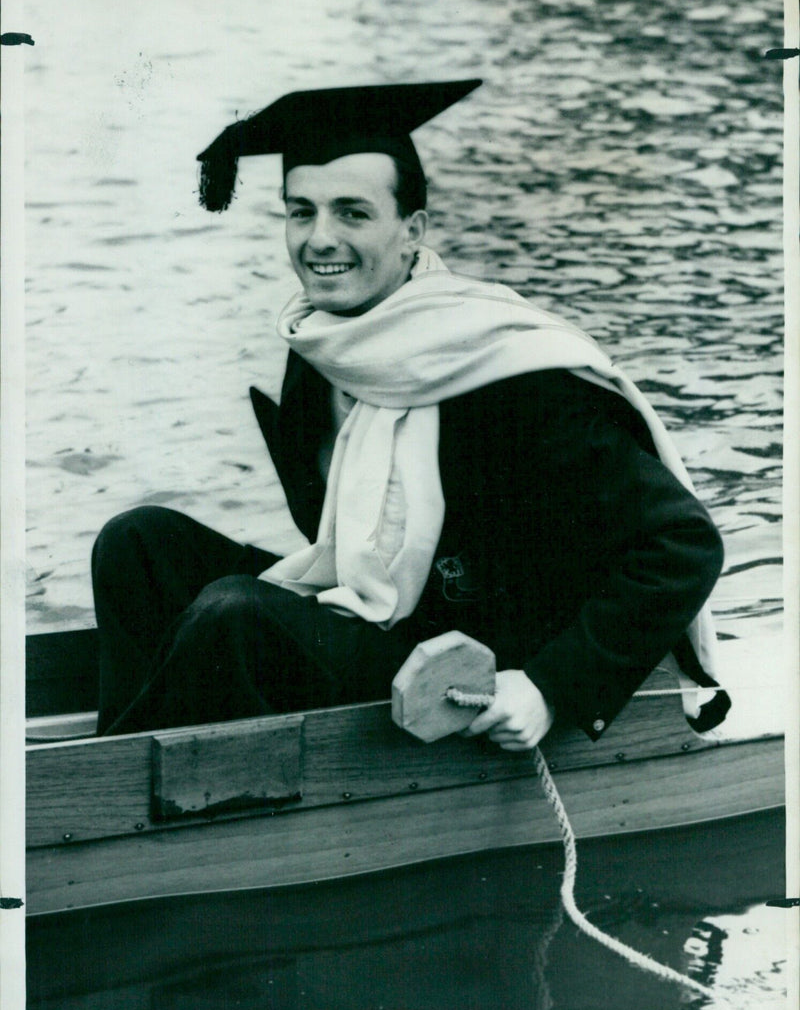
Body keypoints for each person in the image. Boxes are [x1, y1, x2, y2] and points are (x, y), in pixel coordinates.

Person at [92, 79, 730, 745]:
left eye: (353, 214)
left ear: (412, 231)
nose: (320, 240)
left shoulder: (498, 367)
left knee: (235, 617)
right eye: (300, 212)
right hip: (389, 621)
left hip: (468, 668)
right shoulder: (324, 344)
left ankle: (113, 808)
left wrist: (547, 688)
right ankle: (119, 765)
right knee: (138, 545)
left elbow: (681, 545)